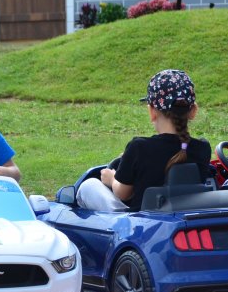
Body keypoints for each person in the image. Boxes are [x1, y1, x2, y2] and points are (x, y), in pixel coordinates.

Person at [76, 69, 211, 211]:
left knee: (88, 186)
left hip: (141, 221)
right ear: (193, 111)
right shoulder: (202, 148)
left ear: (152, 112)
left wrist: (112, 178)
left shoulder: (139, 147)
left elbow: (123, 193)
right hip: (187, 216)